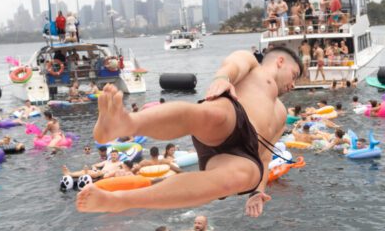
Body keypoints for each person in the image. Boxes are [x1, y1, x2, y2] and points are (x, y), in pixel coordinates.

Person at [76, 47, 303, 217]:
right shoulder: (254, 64)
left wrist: (257, 191)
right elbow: (232, 65)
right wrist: (222, 80)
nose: (293, 85)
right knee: (215, 114)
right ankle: (124, 124)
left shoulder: (281, 112)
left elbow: (264, 157)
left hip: (244, 154)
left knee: (244, 177)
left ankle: (120, 200)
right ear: (280, 61)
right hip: (232, 114)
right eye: (294, 76)